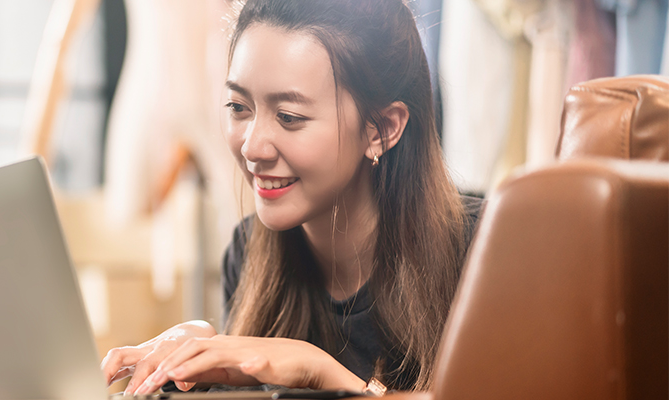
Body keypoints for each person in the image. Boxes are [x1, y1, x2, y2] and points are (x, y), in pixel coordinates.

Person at [100, 0, 485, 394]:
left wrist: (318, 370)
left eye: (289, 117)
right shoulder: (250, 254)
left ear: (382, 128)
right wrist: (208, 365)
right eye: (238, 107)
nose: (252, 147)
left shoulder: (485, 252)